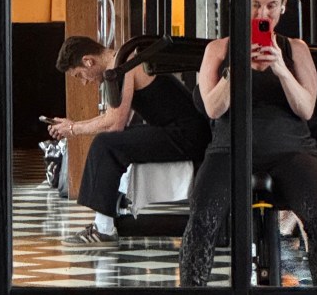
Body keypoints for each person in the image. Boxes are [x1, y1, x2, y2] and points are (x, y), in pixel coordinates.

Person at [170, 0, 317, 295]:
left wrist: (281, 70)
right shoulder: (217, 50)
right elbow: (212, 109)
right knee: (202, 217)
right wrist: (236, 72)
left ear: (282, 8)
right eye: (254, 5)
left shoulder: (296, 49)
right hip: (229, 150)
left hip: (291, 150)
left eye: (270, 5)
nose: (262, 13)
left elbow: (306, 108)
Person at [50, 36, 211, 246]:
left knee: (105, 145)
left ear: (88, 61)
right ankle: (110, 216)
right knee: (110, 142)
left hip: (187, 134)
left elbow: (114, 123)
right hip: (180, 130)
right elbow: (115, 119)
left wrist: (73, 128)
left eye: (80, 75)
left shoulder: (124, 65)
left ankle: (103, 230)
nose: (85, 82)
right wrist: (73, 125)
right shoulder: (123, 60)